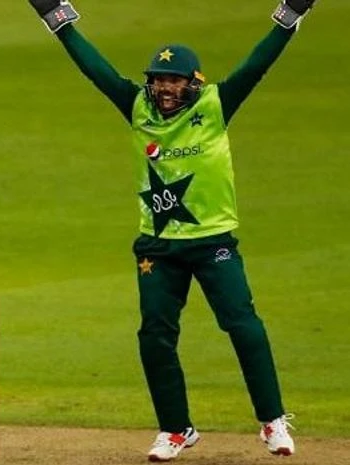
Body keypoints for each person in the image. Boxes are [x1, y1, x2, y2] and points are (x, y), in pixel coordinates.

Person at [26, 0, 316, 461]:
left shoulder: (217, 105)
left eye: (174, 80)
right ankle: (176, 429)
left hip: (213, 242)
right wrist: (57, 17)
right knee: (155, 336)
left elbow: (256, 66)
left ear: (193, 83)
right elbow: (95, 69)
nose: (164, 88)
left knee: (244, 326)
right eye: (159, 79)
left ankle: (272, 421)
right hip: (158, 247)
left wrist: (289, 15)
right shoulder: (137, 106)